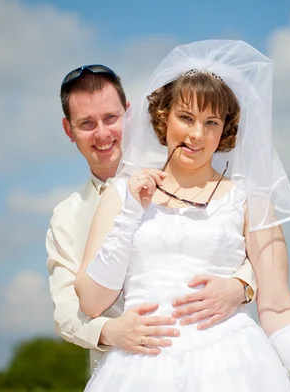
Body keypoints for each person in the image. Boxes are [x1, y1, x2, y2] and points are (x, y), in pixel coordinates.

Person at [75, 40, 290, 391]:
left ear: (224, 130)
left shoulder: (249, 200)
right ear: (164, 117)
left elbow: (277, 305)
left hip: (233, 369)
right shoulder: (122, 195)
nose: (197, 134)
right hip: (139, 371)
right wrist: (132, 211)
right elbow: (92, 301)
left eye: (211, 122)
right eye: (186, 117)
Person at [46, 64, 258, 373]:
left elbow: (246, 246)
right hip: (126, 367)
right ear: (69, 130)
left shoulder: (183, 167)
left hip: (215, 360)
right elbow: (66, 309)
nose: (102, 133)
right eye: (87, 123)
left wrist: (242, 286)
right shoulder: (65, 217)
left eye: (110, 118)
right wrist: (108, 332)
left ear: (129, 114)